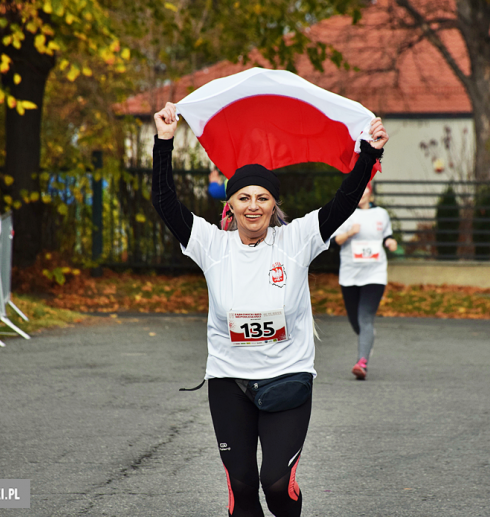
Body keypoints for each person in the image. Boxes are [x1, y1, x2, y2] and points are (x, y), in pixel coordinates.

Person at [151, 101, 387, 517]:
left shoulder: (296, 240)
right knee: (242, 488)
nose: (254, 205)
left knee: (275, 483)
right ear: (232, 205)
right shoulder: (211, 244)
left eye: (263, 198)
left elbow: (345, 200)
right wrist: (164, 142)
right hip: (229, 382)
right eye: (244, 197)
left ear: (273, 205)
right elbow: (164, 201)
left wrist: (369, 153)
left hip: (287, 378)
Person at [332, 182, 397, 380]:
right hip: (350, 274)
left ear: (370, 192)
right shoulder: (345, 212)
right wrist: (350, 233)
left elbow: (387, 236)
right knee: (356, 322)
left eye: (364, 189)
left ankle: (362, 362)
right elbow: (334, 242)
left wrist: (390, 242)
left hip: (374, 273)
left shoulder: (381, 214)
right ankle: (367, 343)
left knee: (365, 318)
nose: (360, 193)